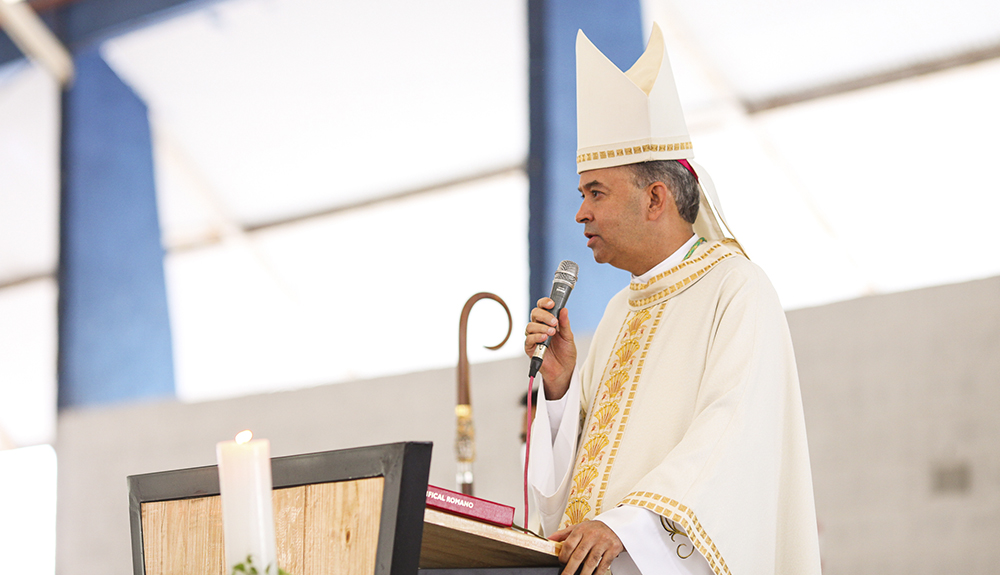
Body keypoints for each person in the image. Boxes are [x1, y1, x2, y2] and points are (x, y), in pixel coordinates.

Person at [523, 24, 821, 575]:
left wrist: (627, 523)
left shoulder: (737, 289)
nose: (580, 214)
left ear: (656, 197)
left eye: (596, 193)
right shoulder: (618, 313)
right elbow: (566, 492)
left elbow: (731, 434)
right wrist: (561, 388)